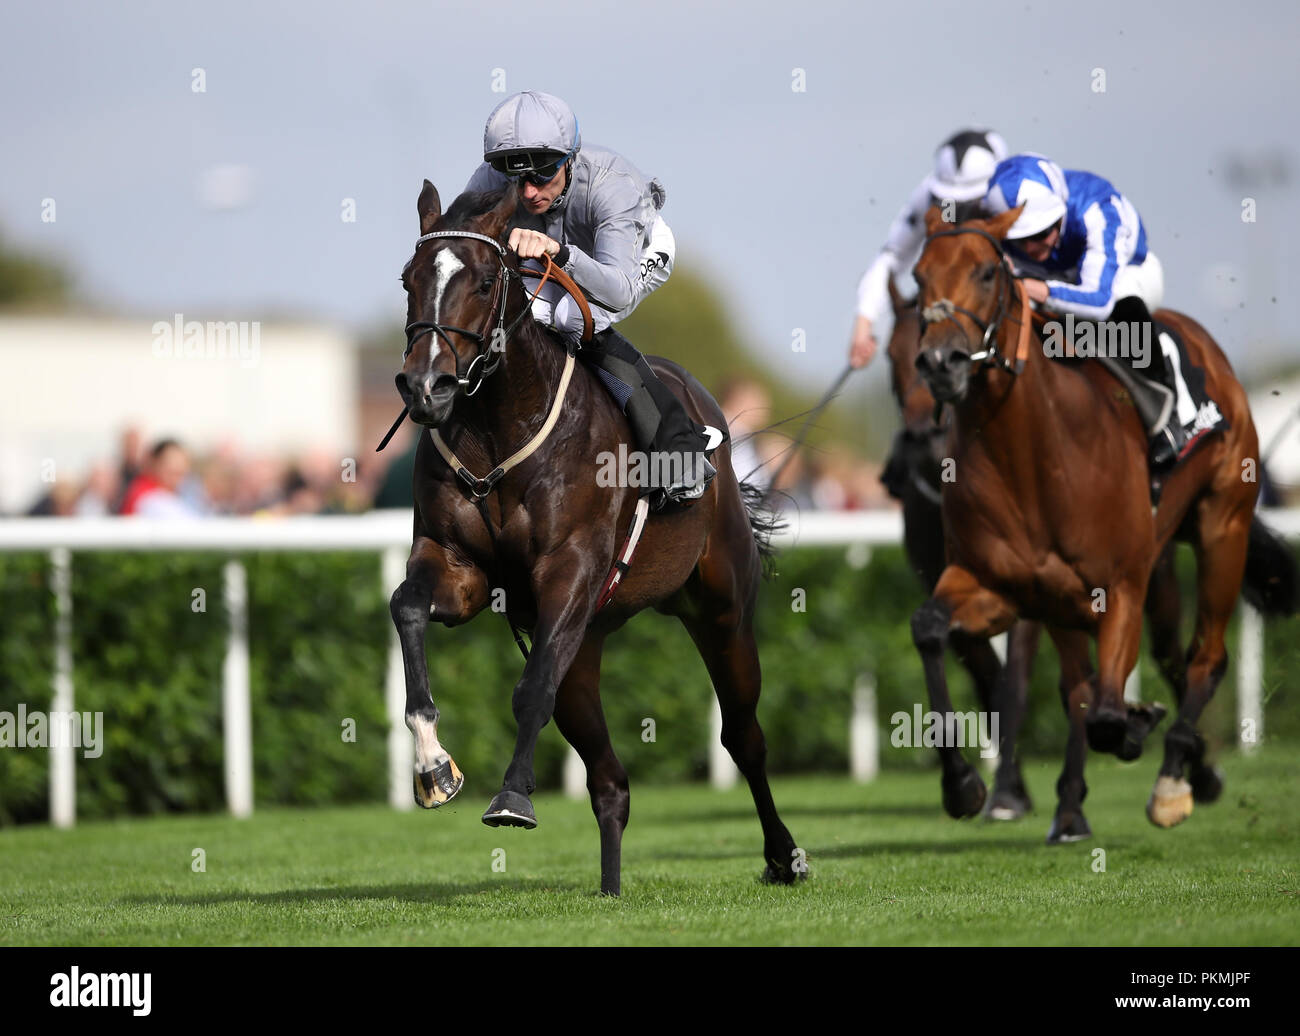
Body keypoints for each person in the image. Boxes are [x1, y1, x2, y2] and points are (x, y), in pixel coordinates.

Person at [462, 90, 714, 508]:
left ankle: (679, 449)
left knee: (570, 318)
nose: (527, 193)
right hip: (552, 259)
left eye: (542, 175)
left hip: (629, 260)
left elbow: (617, 289)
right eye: (515, 177)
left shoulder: (612, 187)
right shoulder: (489, 183)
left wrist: (559, 253)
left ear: (569, 160)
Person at [982, 152, 1222, 469]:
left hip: (1127, 278)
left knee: (1120, 303)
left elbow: (1099, 301)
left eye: (1040, 233)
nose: (1031, 248)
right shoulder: (994, 219)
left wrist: (1035, 289)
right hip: (1054, 285)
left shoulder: (1096, 208)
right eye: (1020, 239)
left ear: (1060, 215)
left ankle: (1167, 414)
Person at [848, 129, 1008, 370]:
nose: (955, 210)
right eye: (949, 202)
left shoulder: (1012, 193)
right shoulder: (928, 194)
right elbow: (892, 257)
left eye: (967, 202)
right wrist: (863, 325)